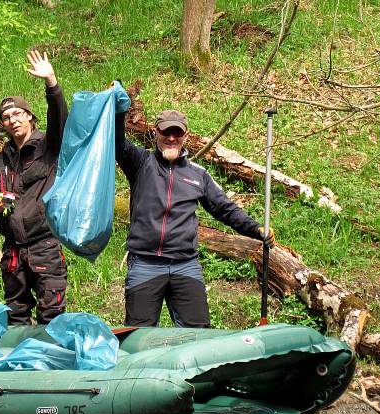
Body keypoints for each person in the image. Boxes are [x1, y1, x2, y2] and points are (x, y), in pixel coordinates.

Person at [115, 109, 275, 328]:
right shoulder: (140, 163)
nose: (171, 138)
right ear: (155, 133)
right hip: (145, 263)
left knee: (198, 334)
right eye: (166, 132)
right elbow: (116, 140)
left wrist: (255, 229)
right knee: (137, 334)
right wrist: (118, 108)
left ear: (186, 136)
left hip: (185, 264)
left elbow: (225, 209)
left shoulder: (198, 175)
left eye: (177, 133)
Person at [0, 50, 69, 325]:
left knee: (51, 316)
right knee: (16, 315)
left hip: (44, 244)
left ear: (31, 117)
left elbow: (60, 118)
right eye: (7, 117)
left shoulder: (49, 147)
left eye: (18, 114)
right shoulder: (0, 160)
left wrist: (51, 82)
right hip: (12, 250)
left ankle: (52, 365)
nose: (13, 120)